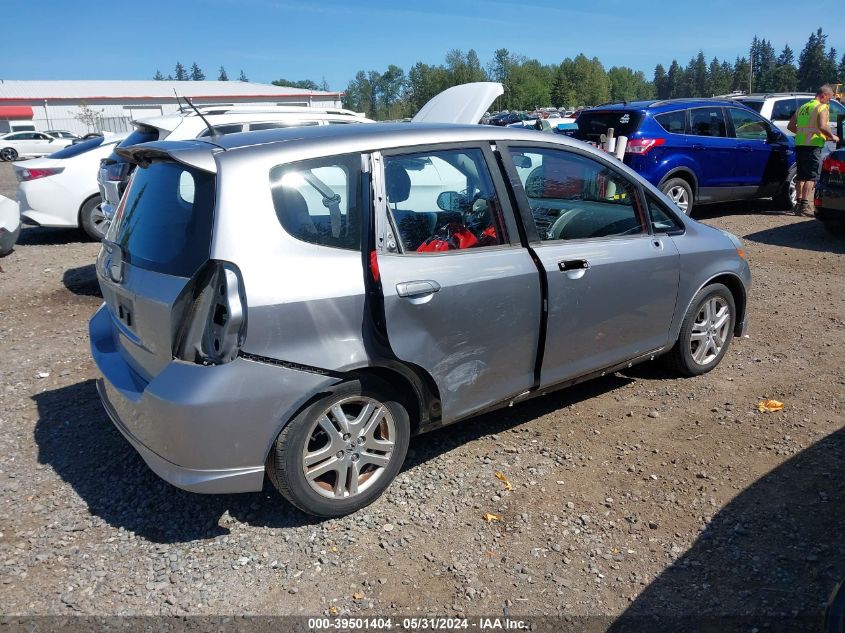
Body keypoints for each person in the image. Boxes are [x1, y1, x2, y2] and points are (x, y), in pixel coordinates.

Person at [787, 84, 840, 215]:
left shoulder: (803, 107)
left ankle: (798, 204)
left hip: (800, 144)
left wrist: (804, 135)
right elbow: (822, 126)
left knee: (801, 176)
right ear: (824, 95)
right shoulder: (822, 107)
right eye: (829, 98)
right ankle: (805, 205)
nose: (829, 101)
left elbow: (791, 126)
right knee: (811, 177)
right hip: (813, 146)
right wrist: (832, 136)